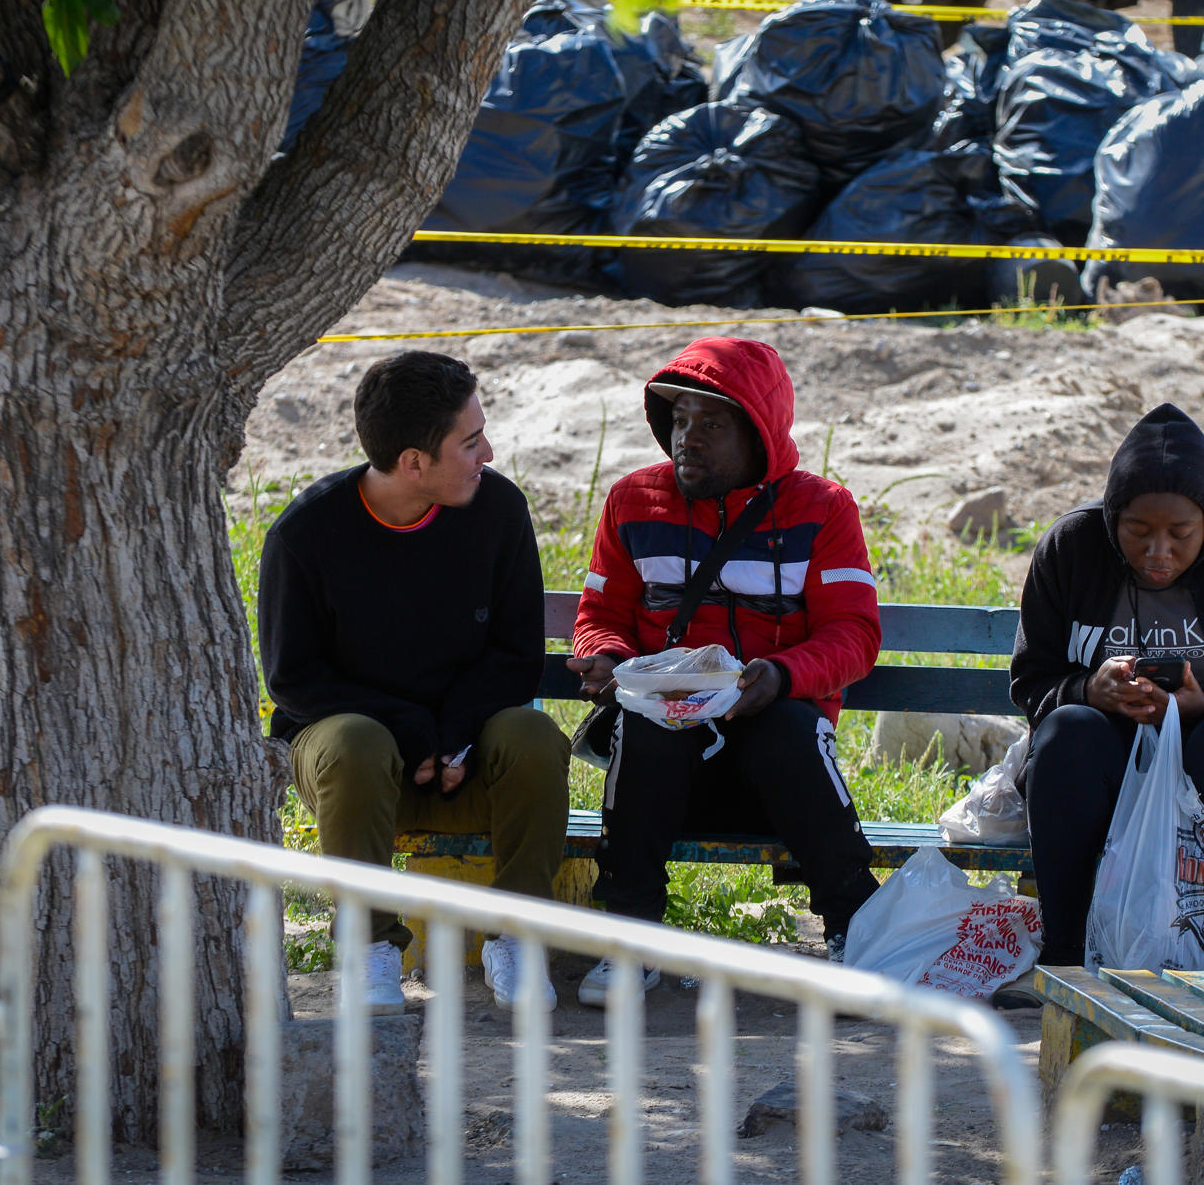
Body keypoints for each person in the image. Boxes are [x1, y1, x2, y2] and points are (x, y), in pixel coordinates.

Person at [567, 337, 882, 1007]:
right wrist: (610, 659)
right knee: (649, 726)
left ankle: (855, 930)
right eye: (679, 420)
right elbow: (600, 613)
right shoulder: (633, 501)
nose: (687, 439)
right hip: (669, 768)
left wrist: (781, 675)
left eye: (711, 423)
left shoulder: (822, 508)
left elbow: (853, 635)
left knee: (789, 727)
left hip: (778, 778)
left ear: (759, 431)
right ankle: (629, 939)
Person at [259, 351, 571, 1014]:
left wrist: (453, 735)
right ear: (412, 463)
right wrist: (408, 726)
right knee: (355, 742)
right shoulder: (305, 535)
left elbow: (515, 656)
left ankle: (516, 936)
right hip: (357, 772)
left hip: (463, 760)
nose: (487, 452)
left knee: (535, 735)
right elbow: (294, 680)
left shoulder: (498, 510)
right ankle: (368, 948)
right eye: (469, 441)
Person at [1009, 402, 1204, 986]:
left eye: (1180, 534)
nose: (1159, 552)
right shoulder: (1070, 548)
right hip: (1107, 764)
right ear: (1112, 521)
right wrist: (1089, 689)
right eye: (1138, 532)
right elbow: (1030, 681)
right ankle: (1063, 956)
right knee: (1065, 734)